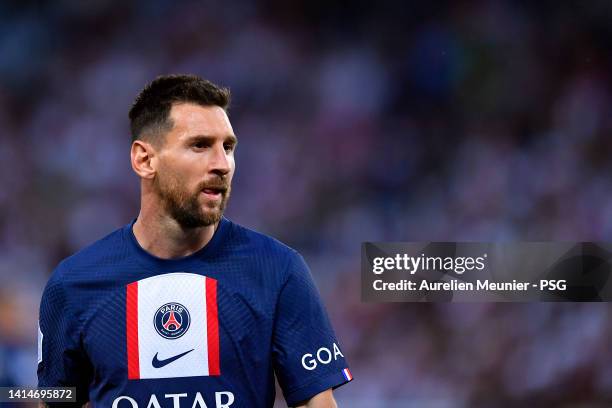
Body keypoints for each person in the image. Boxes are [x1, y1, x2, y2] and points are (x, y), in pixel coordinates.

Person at [37, 74, 353, 408]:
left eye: (228, 147)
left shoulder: (277, 270)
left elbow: (316, 402)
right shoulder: (72, 284)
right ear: (145, 160)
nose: (222, 164)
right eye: (200, 145)